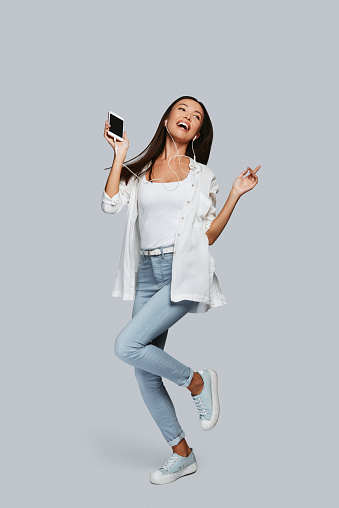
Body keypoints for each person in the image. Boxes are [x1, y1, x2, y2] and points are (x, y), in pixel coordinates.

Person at [101, 96, 260, 485]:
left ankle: (198, 381)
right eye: (183, 110)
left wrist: (236, 194)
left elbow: (207, 236)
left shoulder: (202, 176)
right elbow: (109, 205)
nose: (188, 117)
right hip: (148, 273)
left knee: (126, 346)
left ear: (199, 132)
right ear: (168, 118)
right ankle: (182, 453)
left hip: (182, 269)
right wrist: (121, 154)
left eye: (197, 116)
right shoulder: (139, 171)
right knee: (143, 373)